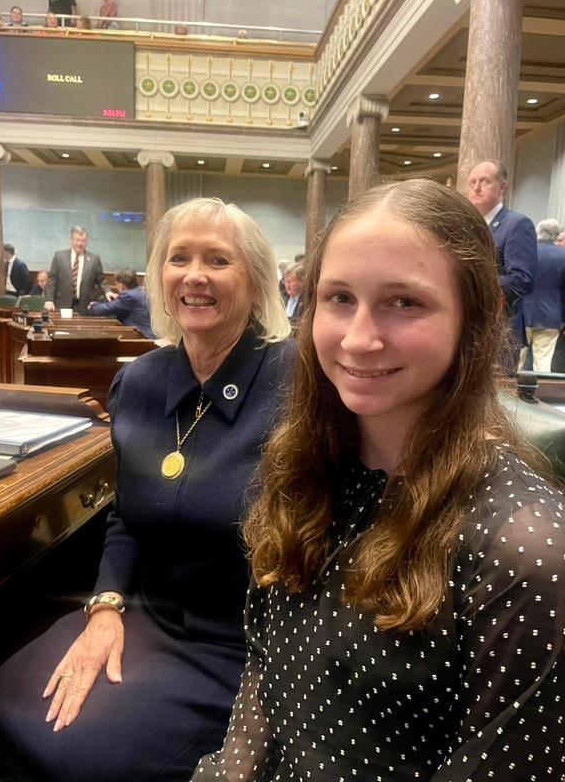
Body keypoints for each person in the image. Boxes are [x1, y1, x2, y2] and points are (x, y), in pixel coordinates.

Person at [193, 179, 565, 781]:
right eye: (339, 298)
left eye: (405, 302)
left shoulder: (526, 548)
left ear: (476, 317)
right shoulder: (302, 468)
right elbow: (266, 674)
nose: (360, 338)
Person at [0, 198, 293, 782]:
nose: (194, 274)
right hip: (138, 617)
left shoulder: (296, 383)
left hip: (242, 646)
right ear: (160, 279)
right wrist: (105, 607)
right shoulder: (141, 380)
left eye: (217, 260)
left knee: (77, 756)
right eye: (179, 258)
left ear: (254, 283)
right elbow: (124, 514)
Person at [466, 159, 537, 368]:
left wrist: (473, 283)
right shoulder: (466, 226)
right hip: (467, 327)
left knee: (496, 394)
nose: (476, 188)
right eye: (472, 182)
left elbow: (522, 280)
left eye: (485, 181)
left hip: (500, 330)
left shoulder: (516, 224)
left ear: (502, 187)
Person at [520, 218, 565, 372]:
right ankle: (539, 394)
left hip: (522, 315)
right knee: (543, 365)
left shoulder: (524, 252)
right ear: (556, 235)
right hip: (551, 318)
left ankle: (511, 394)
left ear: (538, 233)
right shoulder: (563, 255)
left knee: (516, 362)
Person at [43, 227, 114, 315]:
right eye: (77, 240)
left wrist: (107, 291)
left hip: (85, 306)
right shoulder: (59, 257)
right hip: (62, 305)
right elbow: (51, 281)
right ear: (72, 240)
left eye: (83, 241)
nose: (80, 243)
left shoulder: (94, 259)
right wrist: (49, 300)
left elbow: (101, 280)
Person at [88, 268, 156, 339]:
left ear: (121, 285)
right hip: (152, 336)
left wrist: (93, 305)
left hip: (143, 337)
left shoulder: (127, 296)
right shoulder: (143, 291)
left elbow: (105, 309)